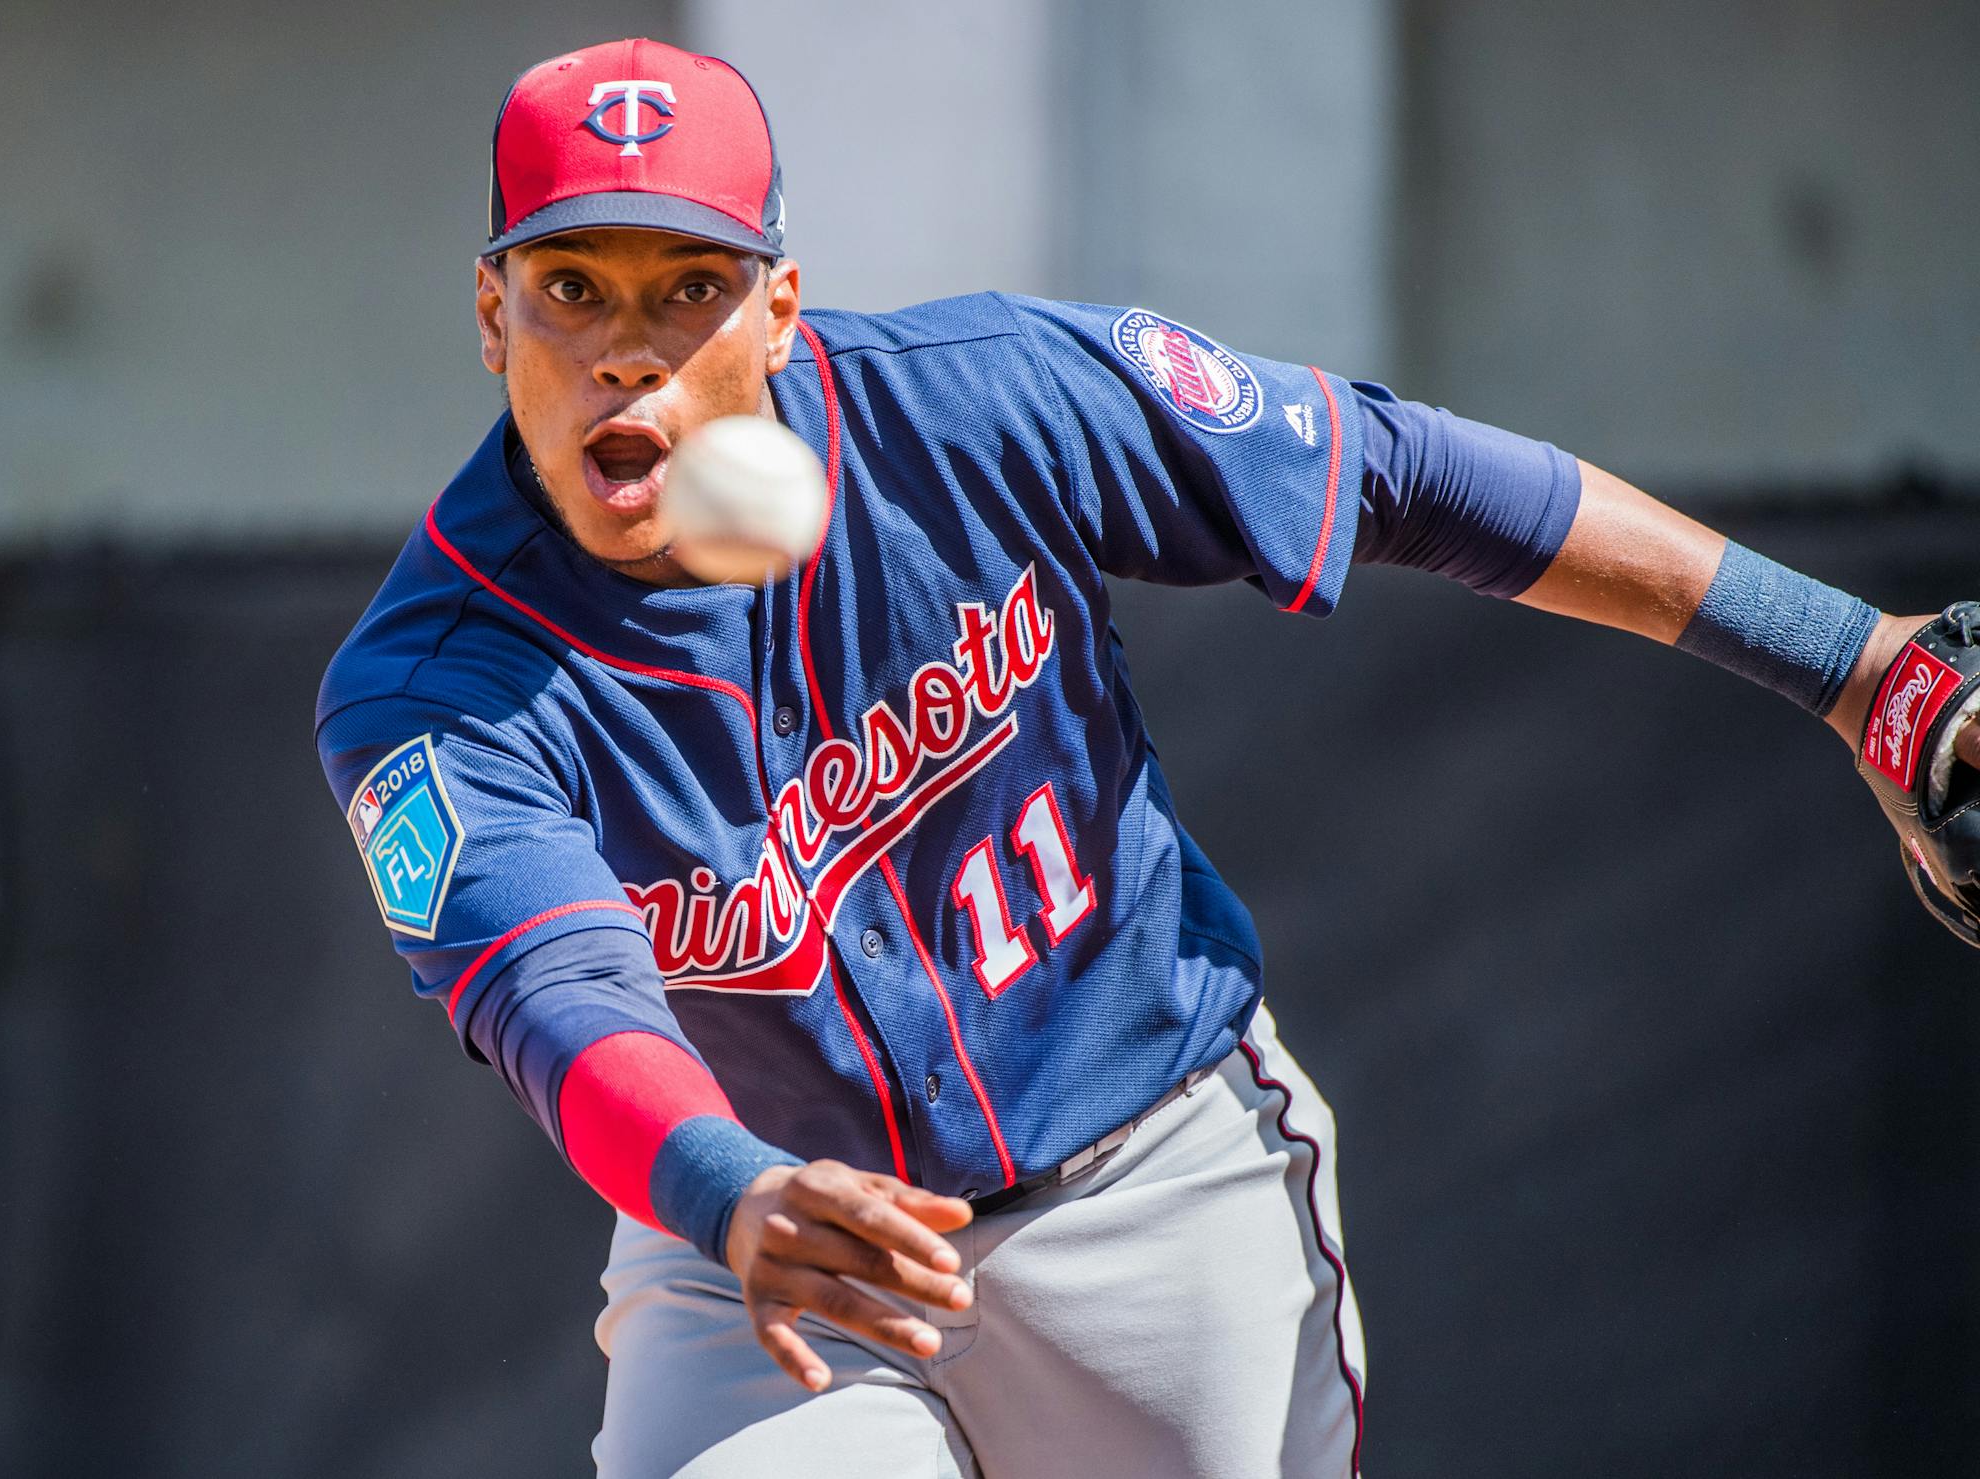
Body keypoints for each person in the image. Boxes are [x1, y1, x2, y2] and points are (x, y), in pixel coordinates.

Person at [315, 37, 1979, 1479]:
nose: (629, 348)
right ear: (492, 311)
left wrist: (1855, 668)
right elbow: (563, 1003)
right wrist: (728, 1186)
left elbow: (1399, 471)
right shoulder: (435, 687)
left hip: (1153, 1172)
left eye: (689, 287)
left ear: (780, 302)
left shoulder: (982, 405)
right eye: (572, 288)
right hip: (767, 1239)